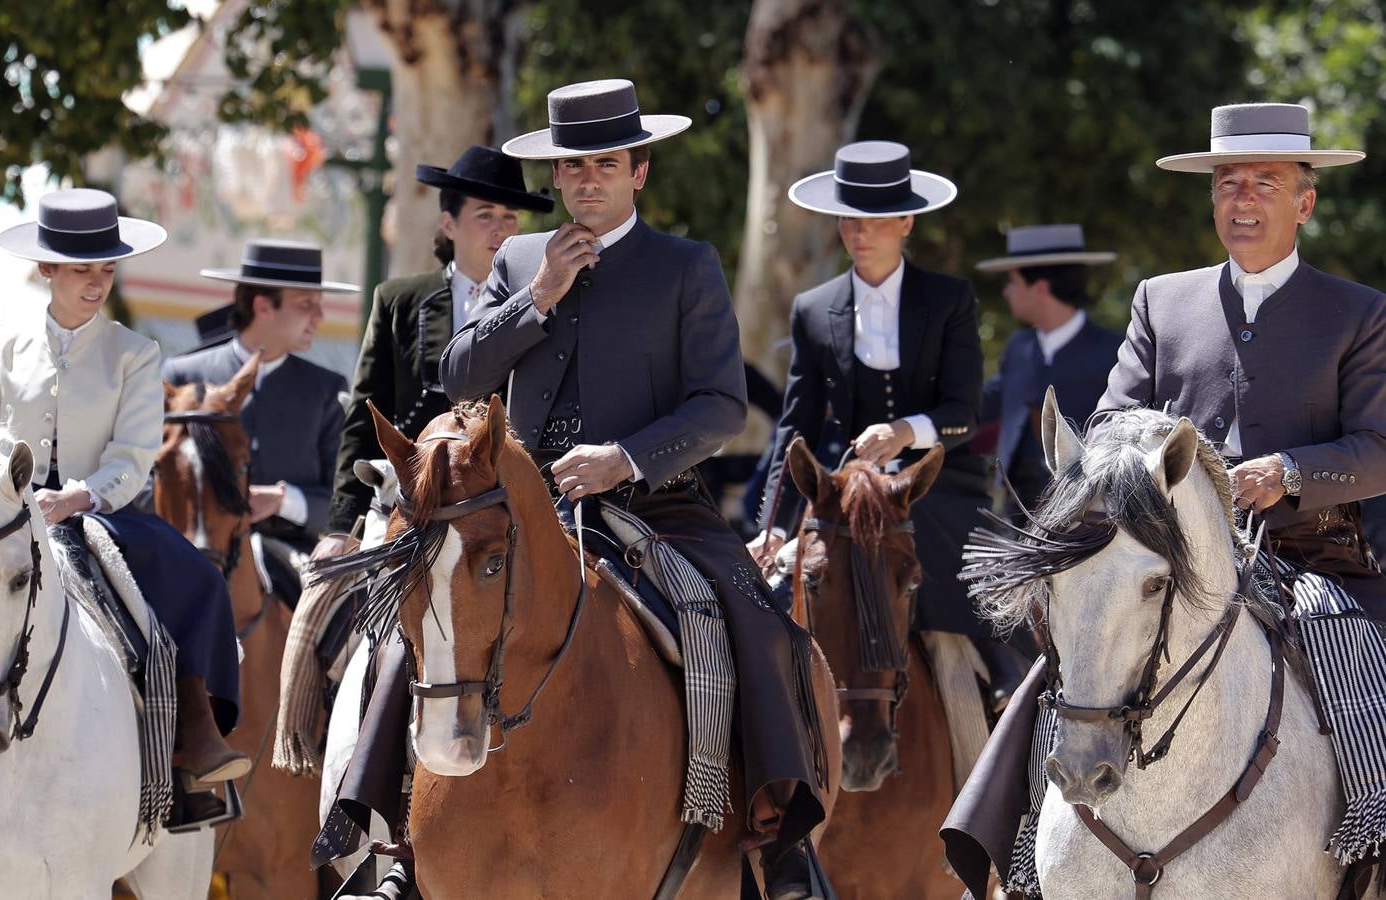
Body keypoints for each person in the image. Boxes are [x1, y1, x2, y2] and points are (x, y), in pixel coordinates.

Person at [943, 102, 1386, 898]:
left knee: (1361, 663)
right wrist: (1135, 466)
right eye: (1225, 182)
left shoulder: (1357, 312)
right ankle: (1020, 852)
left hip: (1306, 559)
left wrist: (1286, 471)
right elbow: (1113, 420)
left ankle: (1372, 841)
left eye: (1264, 182)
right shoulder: (1161, 299)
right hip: (1163, 551)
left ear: (1305, 201)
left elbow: (1377, 449)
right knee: (1069, 664)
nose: (1241, 198)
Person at [442, 77, 828, 895]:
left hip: (655, 503)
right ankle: (386, 835)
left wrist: (624, 458)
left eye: (605, 165)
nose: (586, 181)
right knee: (416, 604)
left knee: (762, 625)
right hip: (521, 509)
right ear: (555, 178)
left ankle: (777, 837)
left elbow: (721, 405)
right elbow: (458, 377)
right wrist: (537, 296)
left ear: (638, 173)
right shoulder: (516, 259)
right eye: (573, 168)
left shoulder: (687, 266)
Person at [0, 188, 249, 804]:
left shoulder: (136, 354)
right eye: (83, 269)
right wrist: (5, 500)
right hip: (3, 517)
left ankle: (192, 735)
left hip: (98, 517)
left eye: (106, 269)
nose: (97, 281)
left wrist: (76, 498)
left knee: (200, 580)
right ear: (46, 270)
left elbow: (133, 457)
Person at [749, 141, 1026, 705]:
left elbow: (964, 414)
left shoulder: (950, 299)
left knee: (949, 556)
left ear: (905, 220)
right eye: (849, 220)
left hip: (936, 480)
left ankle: (1004, 669)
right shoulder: (812, 308)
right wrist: (775, 525)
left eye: (874, 220)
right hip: (847, 487)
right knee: (778, 592)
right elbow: (793, 429)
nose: (859, 233)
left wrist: (904, 432)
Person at [321, 145, 554, 555]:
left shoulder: (549, 297)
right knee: (319, 604)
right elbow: (364, 416)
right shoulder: (400, 301)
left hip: (511, 499)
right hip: (411, 499)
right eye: (485, 216)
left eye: (510, 218)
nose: (501, 230)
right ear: (449, 224)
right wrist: (342, 526)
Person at [163, 239, 354, 602]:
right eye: (306, 305)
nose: (319, 316)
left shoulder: (326, 390)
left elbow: (341, 501)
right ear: (263, 306)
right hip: (192, 558)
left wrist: (283, 500)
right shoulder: (183, 376)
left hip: (294, 569)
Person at [977, 224, 1122, 508]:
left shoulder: (1115, 354)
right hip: (1015, 514)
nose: (1007, 292)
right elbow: (980, 405)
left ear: (1041, 287)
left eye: (1013, 282)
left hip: (1083, 517)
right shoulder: (1019, 347)